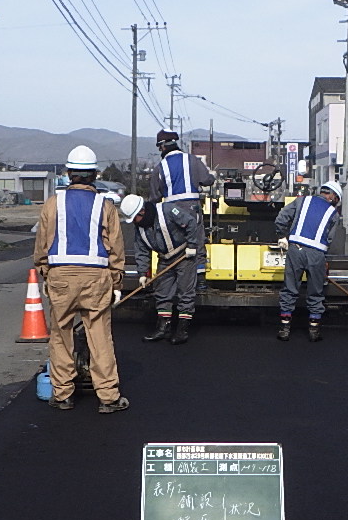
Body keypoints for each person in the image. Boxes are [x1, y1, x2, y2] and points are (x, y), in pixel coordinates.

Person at [33, 145, 129, 414]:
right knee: (100, 336)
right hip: (96, 279)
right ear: (94, 174)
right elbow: (116, 248)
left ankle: (63, 394)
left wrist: (45, 272)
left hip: (61, 276)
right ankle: (108, 397)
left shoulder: (53, 204)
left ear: (68, 173)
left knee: (61, 334)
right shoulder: (106, 205)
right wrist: (117, 282)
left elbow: (42, 245)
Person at [120, 193, 204, 345]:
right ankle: (163, 328)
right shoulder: (140, 228)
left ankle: (182, 330)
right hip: (165, 258)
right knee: (162, 292)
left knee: (186, 292)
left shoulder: (168, 210)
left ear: (142, 212)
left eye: (135, 218)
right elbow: (142, 250)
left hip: (184, 256)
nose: (134, 222)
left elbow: (191, 223)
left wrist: (192, 245)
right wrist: (142, 273)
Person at [274, 181, 342, 342]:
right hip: (316, 253)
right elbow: (330, 238)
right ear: (332, 196)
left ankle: (284, 329)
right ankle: (314, 330)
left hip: (295, 249)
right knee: (316, 291)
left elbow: (282, 217)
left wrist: (282, 235)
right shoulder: (333, 214)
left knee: (290, 288)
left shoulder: (302, 200)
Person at [149, 130, 216, 291]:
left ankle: (173, 281)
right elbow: (207, 180)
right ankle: (200, 281)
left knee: (173, 244)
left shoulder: (160, 167)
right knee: (197, 242)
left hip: (170, 212)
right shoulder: (192, 160)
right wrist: (212, 175)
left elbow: (154, 197)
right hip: (192, 208)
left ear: (163, 146)